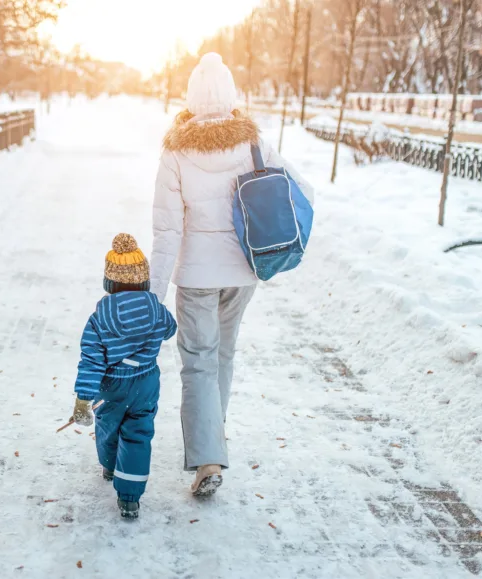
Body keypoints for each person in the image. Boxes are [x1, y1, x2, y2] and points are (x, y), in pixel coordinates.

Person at [150, 53, 315, 497]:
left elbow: (167, 229)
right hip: (244, 271)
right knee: (222, 355)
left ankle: (207, 458)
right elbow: (303, 190)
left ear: (191, 97)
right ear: (230, 95)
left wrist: (154, 292)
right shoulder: (254, 143)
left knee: (198, 361)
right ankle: (212, 440)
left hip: (197, 276)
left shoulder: (175, 150)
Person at [70, 233, 178, 519]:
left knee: (108, 426)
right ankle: (130, 498)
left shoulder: (99, 318)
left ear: (109, 282)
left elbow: (91, 361)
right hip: (146, 381)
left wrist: (83, 398)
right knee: (139, 433)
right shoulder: (156, 308)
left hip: (112, 385)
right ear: (144, 279)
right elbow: (170, 329)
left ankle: (109, 466)